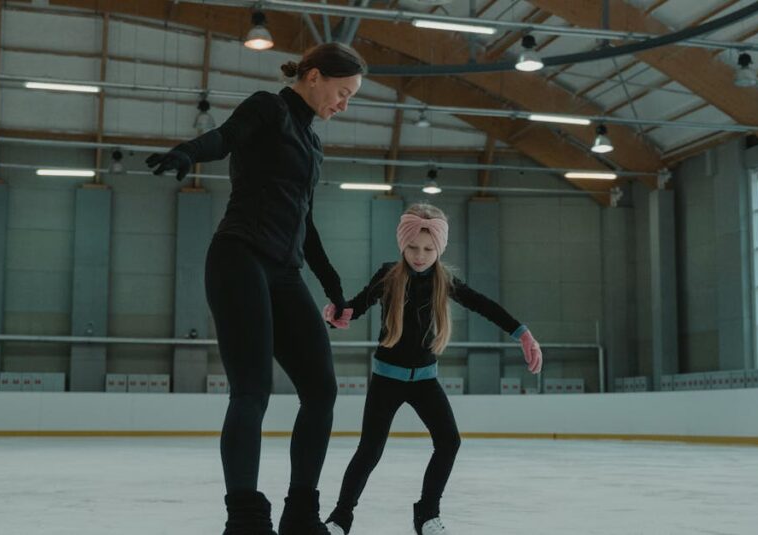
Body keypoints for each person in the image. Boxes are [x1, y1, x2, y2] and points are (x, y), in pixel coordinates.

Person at [146, 43, 367, 535]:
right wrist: (186, 152)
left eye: (351, 97)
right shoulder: (268, 107)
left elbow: (304, 224)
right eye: (342, 92)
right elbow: (225, 138)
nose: (344, 104)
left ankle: (300, 515)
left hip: (284, 272)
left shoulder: (312, 144)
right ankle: (245, 519)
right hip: (239, 257)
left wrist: (335, 289)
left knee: (322, 389)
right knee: (252, 391)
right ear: (313, 76)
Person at [321, 203, 543, 535]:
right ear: (402, 245)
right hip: (387, 379)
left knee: (449, 441)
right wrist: (337, 316)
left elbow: (484, 305)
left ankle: (427, 515)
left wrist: (522, 333)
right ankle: (340, 518)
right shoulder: (388, 275)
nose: (420, 256)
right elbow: (358, 305)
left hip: (425, 381)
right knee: (369, 450)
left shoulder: (445, 280)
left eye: (428, 249)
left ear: (438, 248)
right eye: (412, 247)